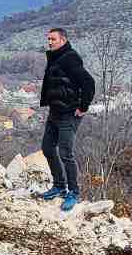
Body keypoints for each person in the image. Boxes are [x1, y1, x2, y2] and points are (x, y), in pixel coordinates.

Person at [38, 27, 95, 212]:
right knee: (47, 148)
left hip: (69, 113)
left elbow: (88, 82)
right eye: (48, 39)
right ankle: (59, 186)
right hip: (55, 112)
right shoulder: (55, 57)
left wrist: (83, 106)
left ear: (62, 40)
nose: (49, 42)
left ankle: (74, 192)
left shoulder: (70, 57)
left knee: (65, 153)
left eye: (53, 39)